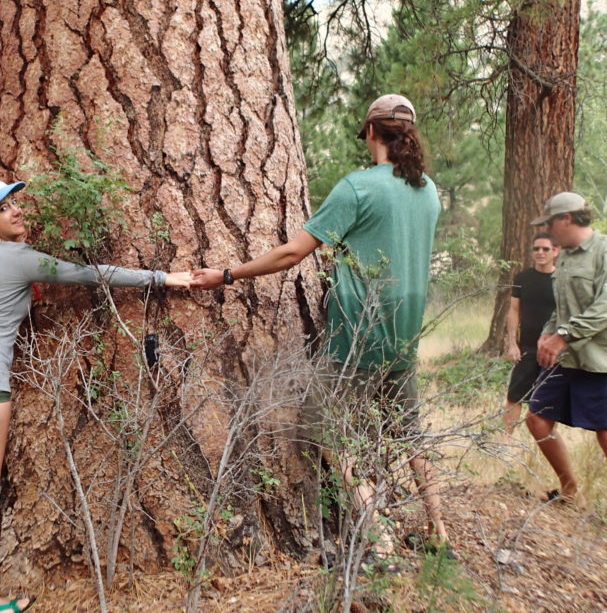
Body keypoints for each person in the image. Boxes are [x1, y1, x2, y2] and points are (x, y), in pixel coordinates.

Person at [192, 93, 452, 561]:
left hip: (358, 333)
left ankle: (380, 538)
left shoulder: (358, 188)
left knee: (322, 425)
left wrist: (227, 274)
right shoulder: (428, 189)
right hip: (405, 333)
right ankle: (440, 533)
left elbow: (293, 253)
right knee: (410, 434)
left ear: (371, 132)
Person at [0, 176, 191, 613]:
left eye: (14, 203)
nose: (18, 210)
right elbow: (91, 275)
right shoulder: (21, 259)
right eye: (5, 208)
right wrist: (163, 277)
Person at [529, 191, 607, 554]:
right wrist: (548, 333)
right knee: (537, 419)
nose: (547, 232)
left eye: (550, 223)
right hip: (568, 357)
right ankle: (570, 491)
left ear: (566, 219)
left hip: (603, 359)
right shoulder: (564, 259)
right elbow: (563, 307)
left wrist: (562, 336)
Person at [503, 233, 559, 433]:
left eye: (545, 249)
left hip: (554, 349)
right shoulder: (522, 278)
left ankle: (546, 439)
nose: (540, 253)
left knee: (549, 399)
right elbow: (514, 310)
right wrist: (512, 344)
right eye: (536, 249)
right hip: (526, 346)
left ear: (556, 251)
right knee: (514, 395)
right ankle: (505, 441)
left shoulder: (561, 279)